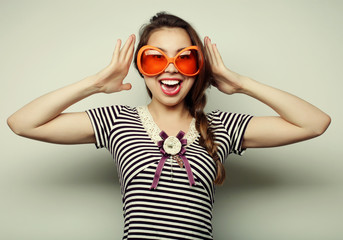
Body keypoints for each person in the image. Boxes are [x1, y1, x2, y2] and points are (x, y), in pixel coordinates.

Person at [7, 12, 330, 240]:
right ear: (141, 67)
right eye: (156, 58)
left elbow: (315, 123)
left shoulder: (223, 126)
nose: (171, 69)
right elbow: (22, 123)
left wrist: (241, 84)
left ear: (198, 67)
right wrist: (94, 83)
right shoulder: (117, 121)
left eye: (185, 58)